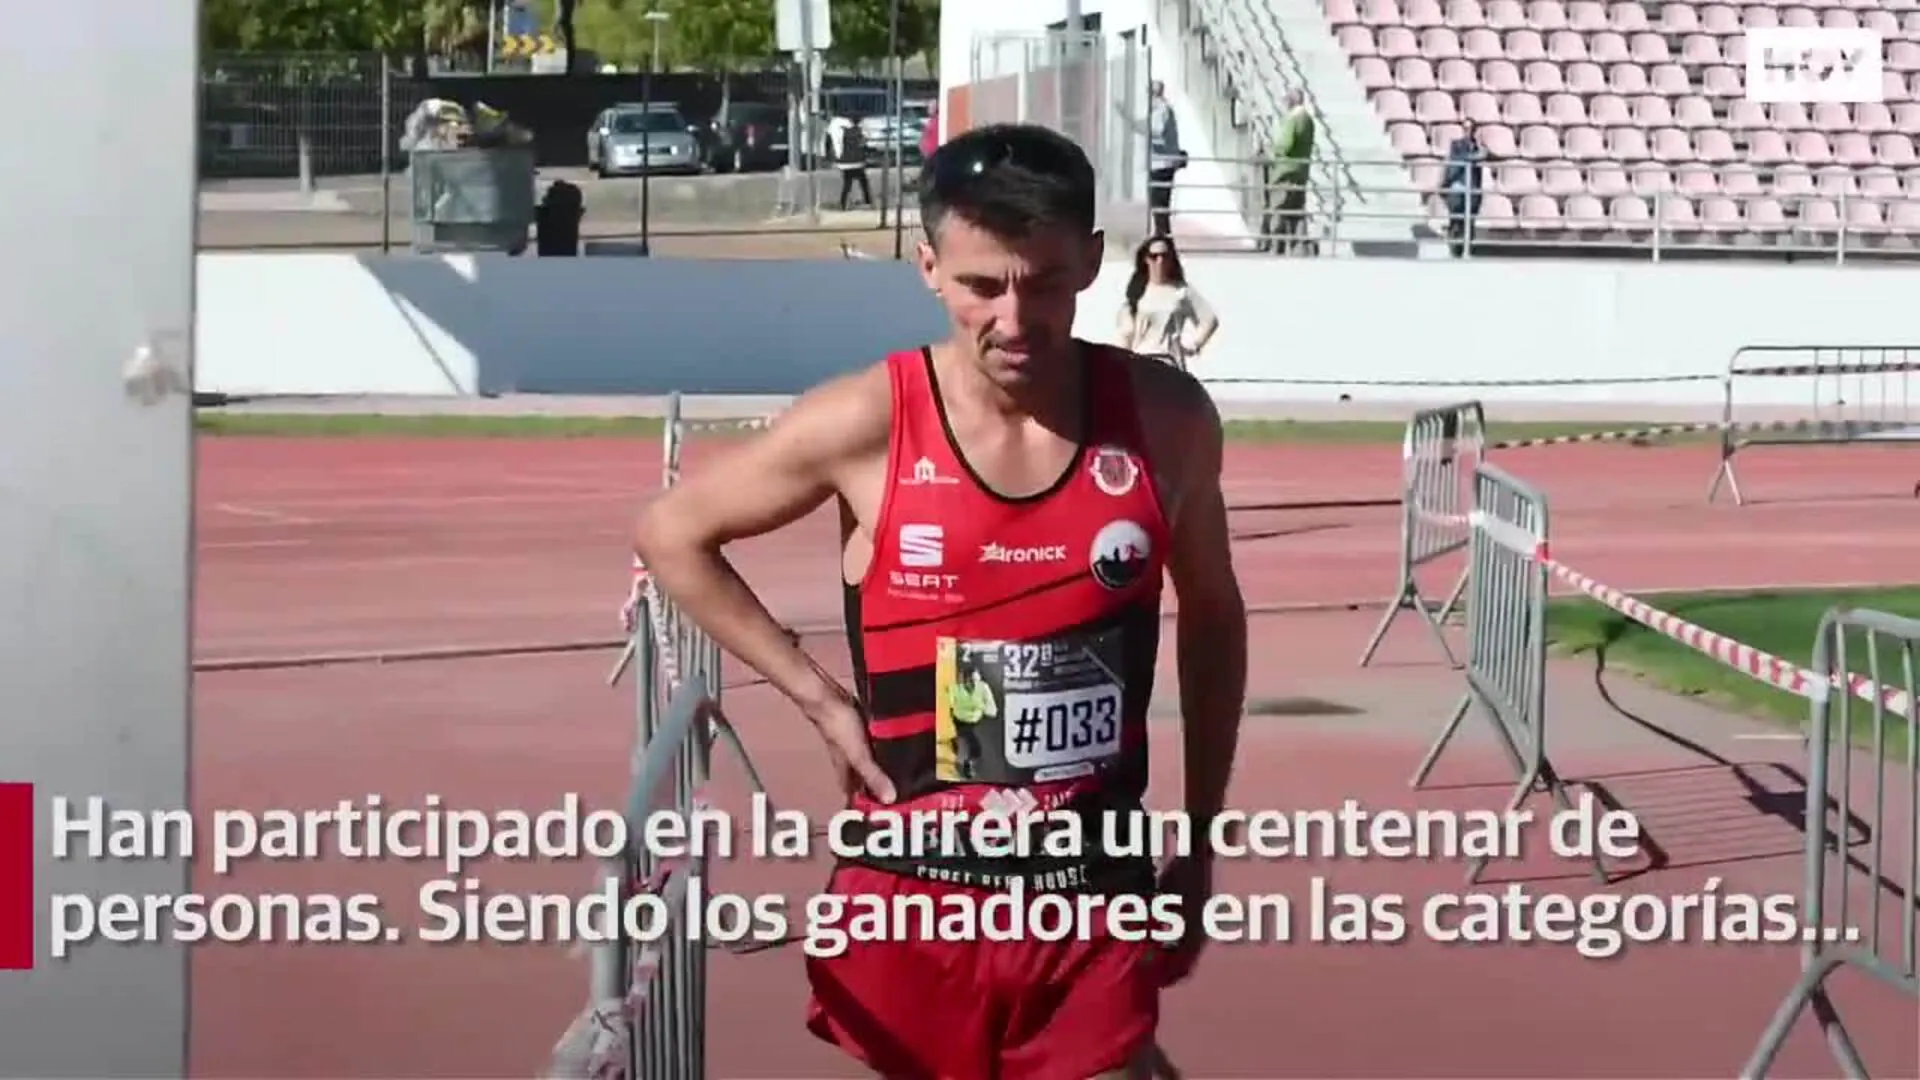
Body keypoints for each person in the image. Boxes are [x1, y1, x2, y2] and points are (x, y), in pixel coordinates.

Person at [631, 122, 1248, 1080]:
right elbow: (674, 534)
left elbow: (1213, 617)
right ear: (927, 266)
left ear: (1090, 262)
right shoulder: (870, 420)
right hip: (913, 889)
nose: (1014, 318)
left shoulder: (1165, 421)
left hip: (1088, 893)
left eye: (1044, 282)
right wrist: (820, 698)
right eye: (981, 285)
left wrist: (1202, 838)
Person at [1115, 236, 1219, 371]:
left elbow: (1209, 319)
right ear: (1146, 260)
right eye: (1154, 256)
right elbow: (1125, 336)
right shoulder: (1137, 293)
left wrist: (1193, 345)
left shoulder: (1181, 291)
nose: (1160, 261)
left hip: (1170, 361)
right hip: (1141, 362)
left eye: (1165, 256)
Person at [1260, 89, 1316, 255]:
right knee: (1297, 210)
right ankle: (1299, 246)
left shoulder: (1293, 120)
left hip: (1286, 171)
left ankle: (1277, 246)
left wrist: (1271, 150)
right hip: (1302, 170)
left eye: (1286, 101)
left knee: (1278, 207)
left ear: (1291, 101)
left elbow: (1285, 145)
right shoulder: (1309, 120)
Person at [1439, 121, 1486, 258]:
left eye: (1471, 129)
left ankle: (1467, 248)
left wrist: (1481, 148)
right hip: (1458, 187)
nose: (1469, 131)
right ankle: (1454, 247)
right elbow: (1459, 158)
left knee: (1470, 220)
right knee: (1456, 218)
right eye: (1466, 129)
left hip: (1473, 188)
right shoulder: (1456, 144)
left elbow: (1488, 156)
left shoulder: (1478, 147)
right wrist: (1477, 156)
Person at [1145, 81, 1185, 237]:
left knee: (1159, 202)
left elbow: (1157, 131)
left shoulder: (1161, 110)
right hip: (1160, 163)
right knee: (1159, 204)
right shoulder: (1160, 109)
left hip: (1161, 164)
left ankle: (1162, 235)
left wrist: (1140, 128)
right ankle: (1161, 233)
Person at [837, 113, 874, 211]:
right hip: (857, 162)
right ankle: (867, 201)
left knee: (847, 184)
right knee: (863, 182)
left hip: (845, 163)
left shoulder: (845, 132)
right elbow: (863, 144)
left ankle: (843, 203)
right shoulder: (859, 132)